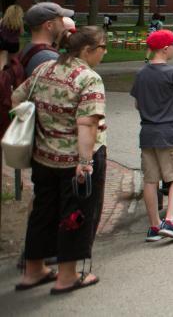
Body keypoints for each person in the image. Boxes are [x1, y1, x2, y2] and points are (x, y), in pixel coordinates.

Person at [11, 26, 107, 294]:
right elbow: (87, 124)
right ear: (87, 50)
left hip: (43, 157)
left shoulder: (44, 70)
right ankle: (67, 276)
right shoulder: (88, 78)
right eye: (102, 47)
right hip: (74, 161)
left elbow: (18, 98)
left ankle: (33, 270)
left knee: (42, 212)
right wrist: (86, 162)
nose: (105, 52)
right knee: (74, 216)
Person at [131, 30, 173, 242]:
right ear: (165, 49)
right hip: (170, 131)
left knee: (151, 180)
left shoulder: (141, 73)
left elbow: (137, 104)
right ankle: (170, 220)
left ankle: (154, 225)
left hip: (148, 132)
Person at [1, 3, 23, 70]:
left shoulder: (3, 21)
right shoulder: (19, 23)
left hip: (3, 42)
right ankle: (9, 73)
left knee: (2, 60)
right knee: (12, 61)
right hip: (14, 44)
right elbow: (21, 33)